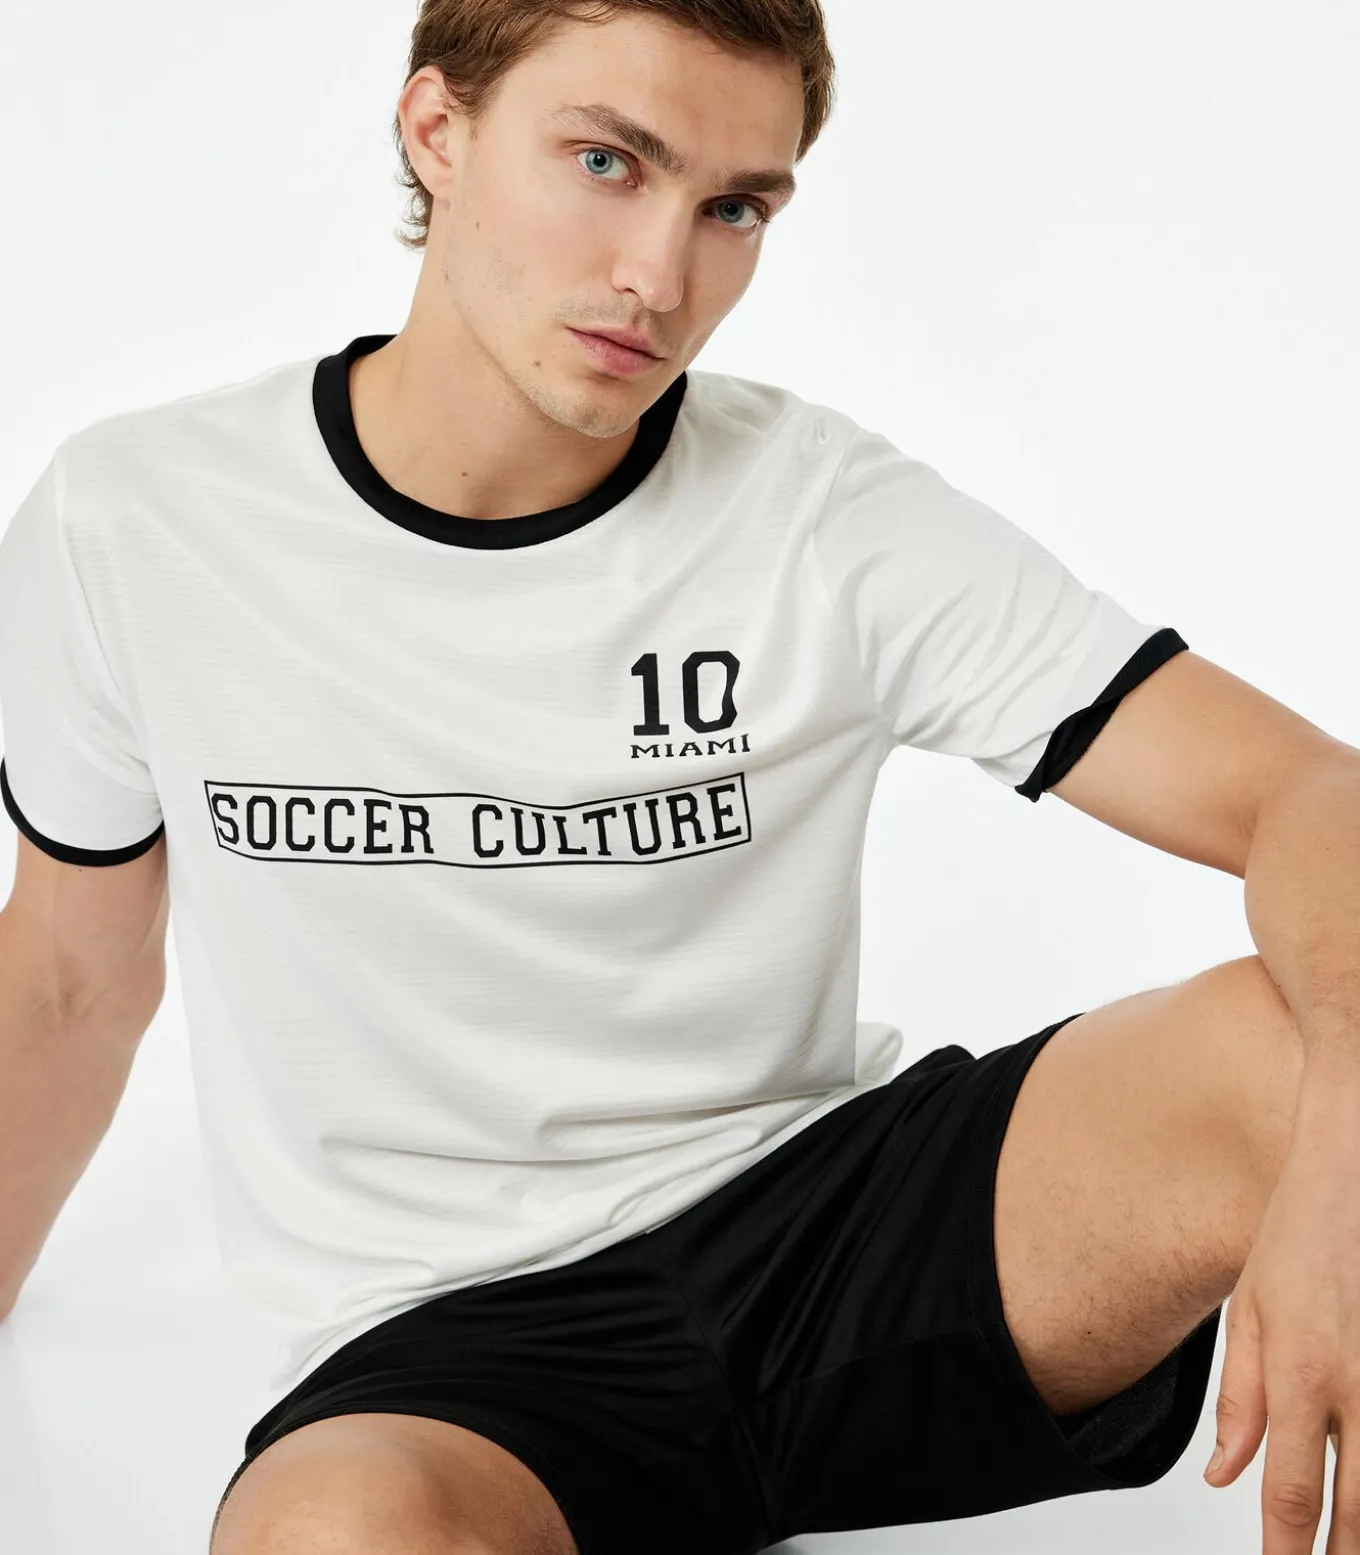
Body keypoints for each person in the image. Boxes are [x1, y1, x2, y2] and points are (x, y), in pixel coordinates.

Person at [1, 4, 1352, 1555]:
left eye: (733, 208)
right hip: (451, 1353)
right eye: (606, 163)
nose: (661, 274)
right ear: (436, 131)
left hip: (843, 1238)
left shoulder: (820, 514)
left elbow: (1309, 793)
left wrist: (1341, 1153)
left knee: (1309, 1043)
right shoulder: (137, 524)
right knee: (331, 1535)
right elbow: (68, 978)